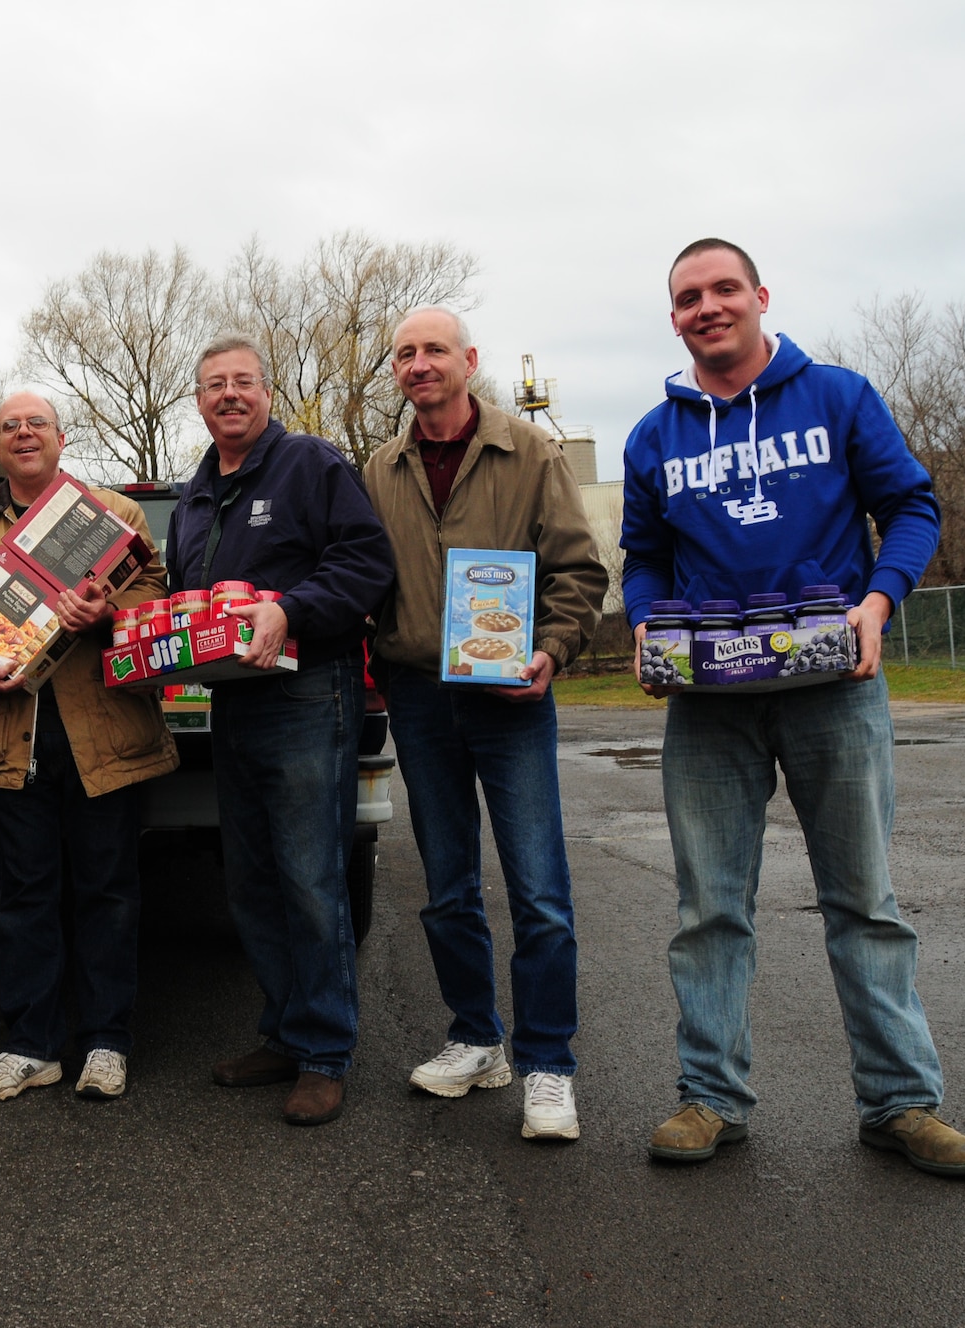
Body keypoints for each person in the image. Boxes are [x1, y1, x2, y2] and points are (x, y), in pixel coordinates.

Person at [622, 238, 965, 1176]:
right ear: (674, 318)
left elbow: (911, 506)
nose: (707, 307)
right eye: (688, 297)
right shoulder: (654, 436)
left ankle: (901, 1103)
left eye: (723, 289)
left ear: (759, 296)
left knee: (864, 902)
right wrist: (646, 625)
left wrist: (879, 601)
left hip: (834, 688)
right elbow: (647, 556)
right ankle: (710, 1099)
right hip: (708, 703)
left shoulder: (839, 397)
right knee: (710, 908)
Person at [360, 307, 606, 1141]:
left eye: (434, 350)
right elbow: (367, 580)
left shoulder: (528, 451)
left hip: (510, 698)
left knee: (539, 890)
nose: (419, 364)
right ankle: (475, 1037)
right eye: (405, 354)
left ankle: (548, 1064)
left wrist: (551, 650)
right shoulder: (380, 469)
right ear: (395, 372)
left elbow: (579, 569)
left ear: (468, 360)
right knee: (446, 886)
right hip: (422, 700)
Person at [167, 334, 395, 1126]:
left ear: (267, 392)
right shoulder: (196, 495)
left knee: (310, 879)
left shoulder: (311, 464)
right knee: (252, 882)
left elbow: (367, 562)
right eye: (213, 385)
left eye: (243, 382)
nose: (228, 395)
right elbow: (183, 597)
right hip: (231, 703)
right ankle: (283, 1032)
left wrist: (289, 607)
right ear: (196, 401)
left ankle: (325, 1054)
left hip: (308, 696)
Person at [0, 391, 178, 1104]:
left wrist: (109, 613)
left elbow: (155, 603)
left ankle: (106, 1042)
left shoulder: (112, 516)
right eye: (9, 427)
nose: (22, 434)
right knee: (22, 896)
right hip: (12, 736)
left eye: (35, 423)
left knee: (107, 893)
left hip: (101, 732)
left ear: (61, 438)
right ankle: (30, 1044)